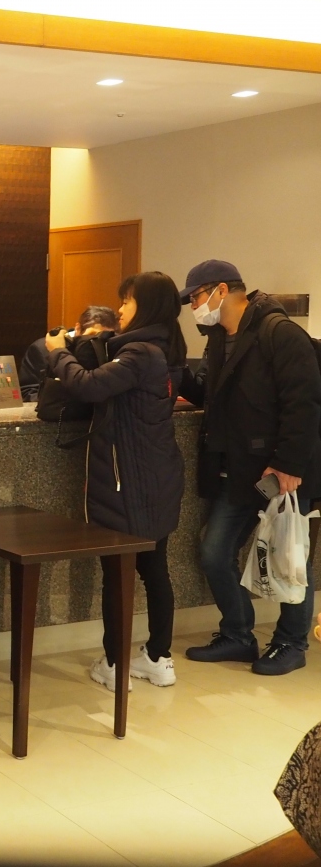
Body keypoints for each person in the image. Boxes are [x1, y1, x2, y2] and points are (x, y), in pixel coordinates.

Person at [177, 260, 321, 675]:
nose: (195, 307)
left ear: (222, 290)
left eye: (196, 298)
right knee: (215, 552)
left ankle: (291, 642)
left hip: (278, 471)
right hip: (236, 470)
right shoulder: (219, 339)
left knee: (290, 553)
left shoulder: (279, 333)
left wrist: (289, 463)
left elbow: (303, 404)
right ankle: (238, 634)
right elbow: (211, 394)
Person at [46, 273, 188, 690]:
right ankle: (158, 658)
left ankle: (114, 664)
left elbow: (87, 386)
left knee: (118, 573)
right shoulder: (166, 348)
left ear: (146, 306)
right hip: (157, 477)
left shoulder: (140, 353)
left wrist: (57, 353)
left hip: (128, 482)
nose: (121, 309)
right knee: (154, 570)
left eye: (127, 301)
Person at [19, 305, 119, 401]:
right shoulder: (42, 348)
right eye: (94, 336)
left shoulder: (113, 348)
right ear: (78, 328)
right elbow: (28, 392)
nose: (99, 343)